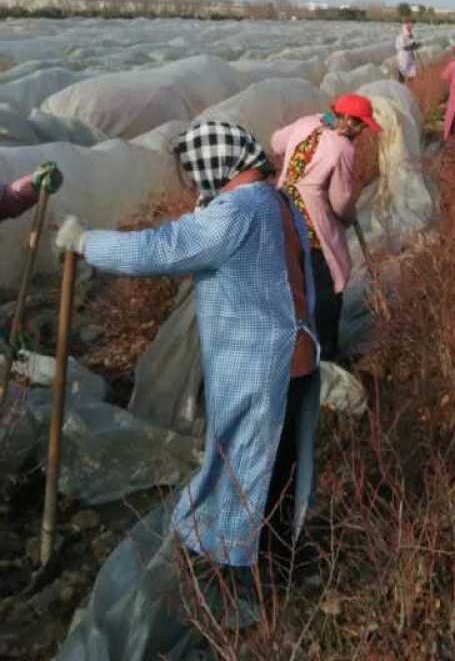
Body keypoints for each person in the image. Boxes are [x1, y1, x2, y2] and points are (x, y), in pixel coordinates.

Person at [55, 121, 319, 579]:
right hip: (291, 354)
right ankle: (277, 561)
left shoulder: (237, 210)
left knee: (248, 468)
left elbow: (164, 248)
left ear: (215, 163)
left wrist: (86, 242)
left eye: (197, 172)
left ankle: (246, 571)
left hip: (259, 364)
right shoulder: (274, 198)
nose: (196, 183)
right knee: (277, 465)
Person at [271, 93, 381, 361]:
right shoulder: (343, 147)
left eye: (362, 126)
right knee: (327, 287)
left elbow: (276, 143)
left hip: (281, 210)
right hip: (311, 222)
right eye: (358, 124)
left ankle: (297, 348)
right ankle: (326, 354)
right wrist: (348, 216)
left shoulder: (307, 122)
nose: (359, 131)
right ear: (345, 118)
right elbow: (341, 200)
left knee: (294, 281)